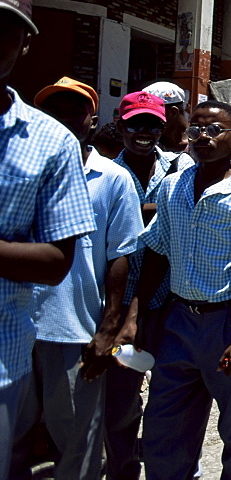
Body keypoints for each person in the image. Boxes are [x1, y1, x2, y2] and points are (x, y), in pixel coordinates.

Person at [115, 100, 231, 479]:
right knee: (163, 434)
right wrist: (135, 316)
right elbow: (157, 254)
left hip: (228, 326)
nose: (204, 137)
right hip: (179, 324)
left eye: (215, 130)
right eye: (196, 129)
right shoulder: (173, 186)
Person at [12, 79, 143, 479]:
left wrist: (109, 326)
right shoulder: (20, 166)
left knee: (78, 445)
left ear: (93, 118)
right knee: (12, 438)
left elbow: (121, 256)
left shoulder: (113, 179)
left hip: (73, 329)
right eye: (56, 111)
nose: (66, 119)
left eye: (76, 111)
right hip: (14, 324)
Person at [0, 0, 96, 476]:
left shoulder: (51, 147)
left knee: (65, 435)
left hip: (14, 347)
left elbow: (64, 260)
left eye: (5, 28)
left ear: (25, 43)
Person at [105, 90, 195, 479]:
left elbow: (191, 210)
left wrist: (132, 210)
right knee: (120, 403)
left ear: (164, 126)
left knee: (169, 402)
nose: (144, 132)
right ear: (121, 127)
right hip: (117, 305)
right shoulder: (106, 173)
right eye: (135, 124)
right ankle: (124, 468)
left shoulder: (180, 167)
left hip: (169, 301)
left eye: (153, 124)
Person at [141, 81, 190, 154]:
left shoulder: (200, 143)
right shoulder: (146, 144)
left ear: (173, 112)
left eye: (152, 116)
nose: (146, 122)